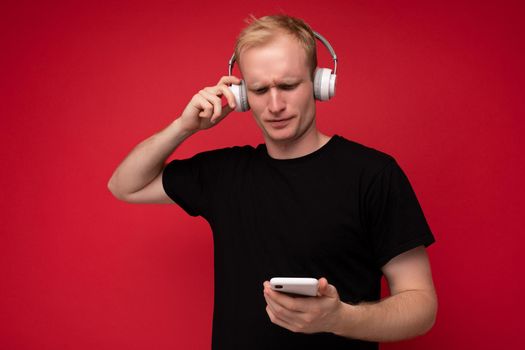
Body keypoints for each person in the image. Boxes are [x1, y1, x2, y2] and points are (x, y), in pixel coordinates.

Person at [108, 14, 437, 350]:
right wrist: (184, 126)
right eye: (260, 90)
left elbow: (422, 306)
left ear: (320, 83)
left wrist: (340, 319)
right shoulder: (224, 173)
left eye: (289, 86)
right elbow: (125, 185)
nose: (275, 105)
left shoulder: (374, 174)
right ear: (243, 95)